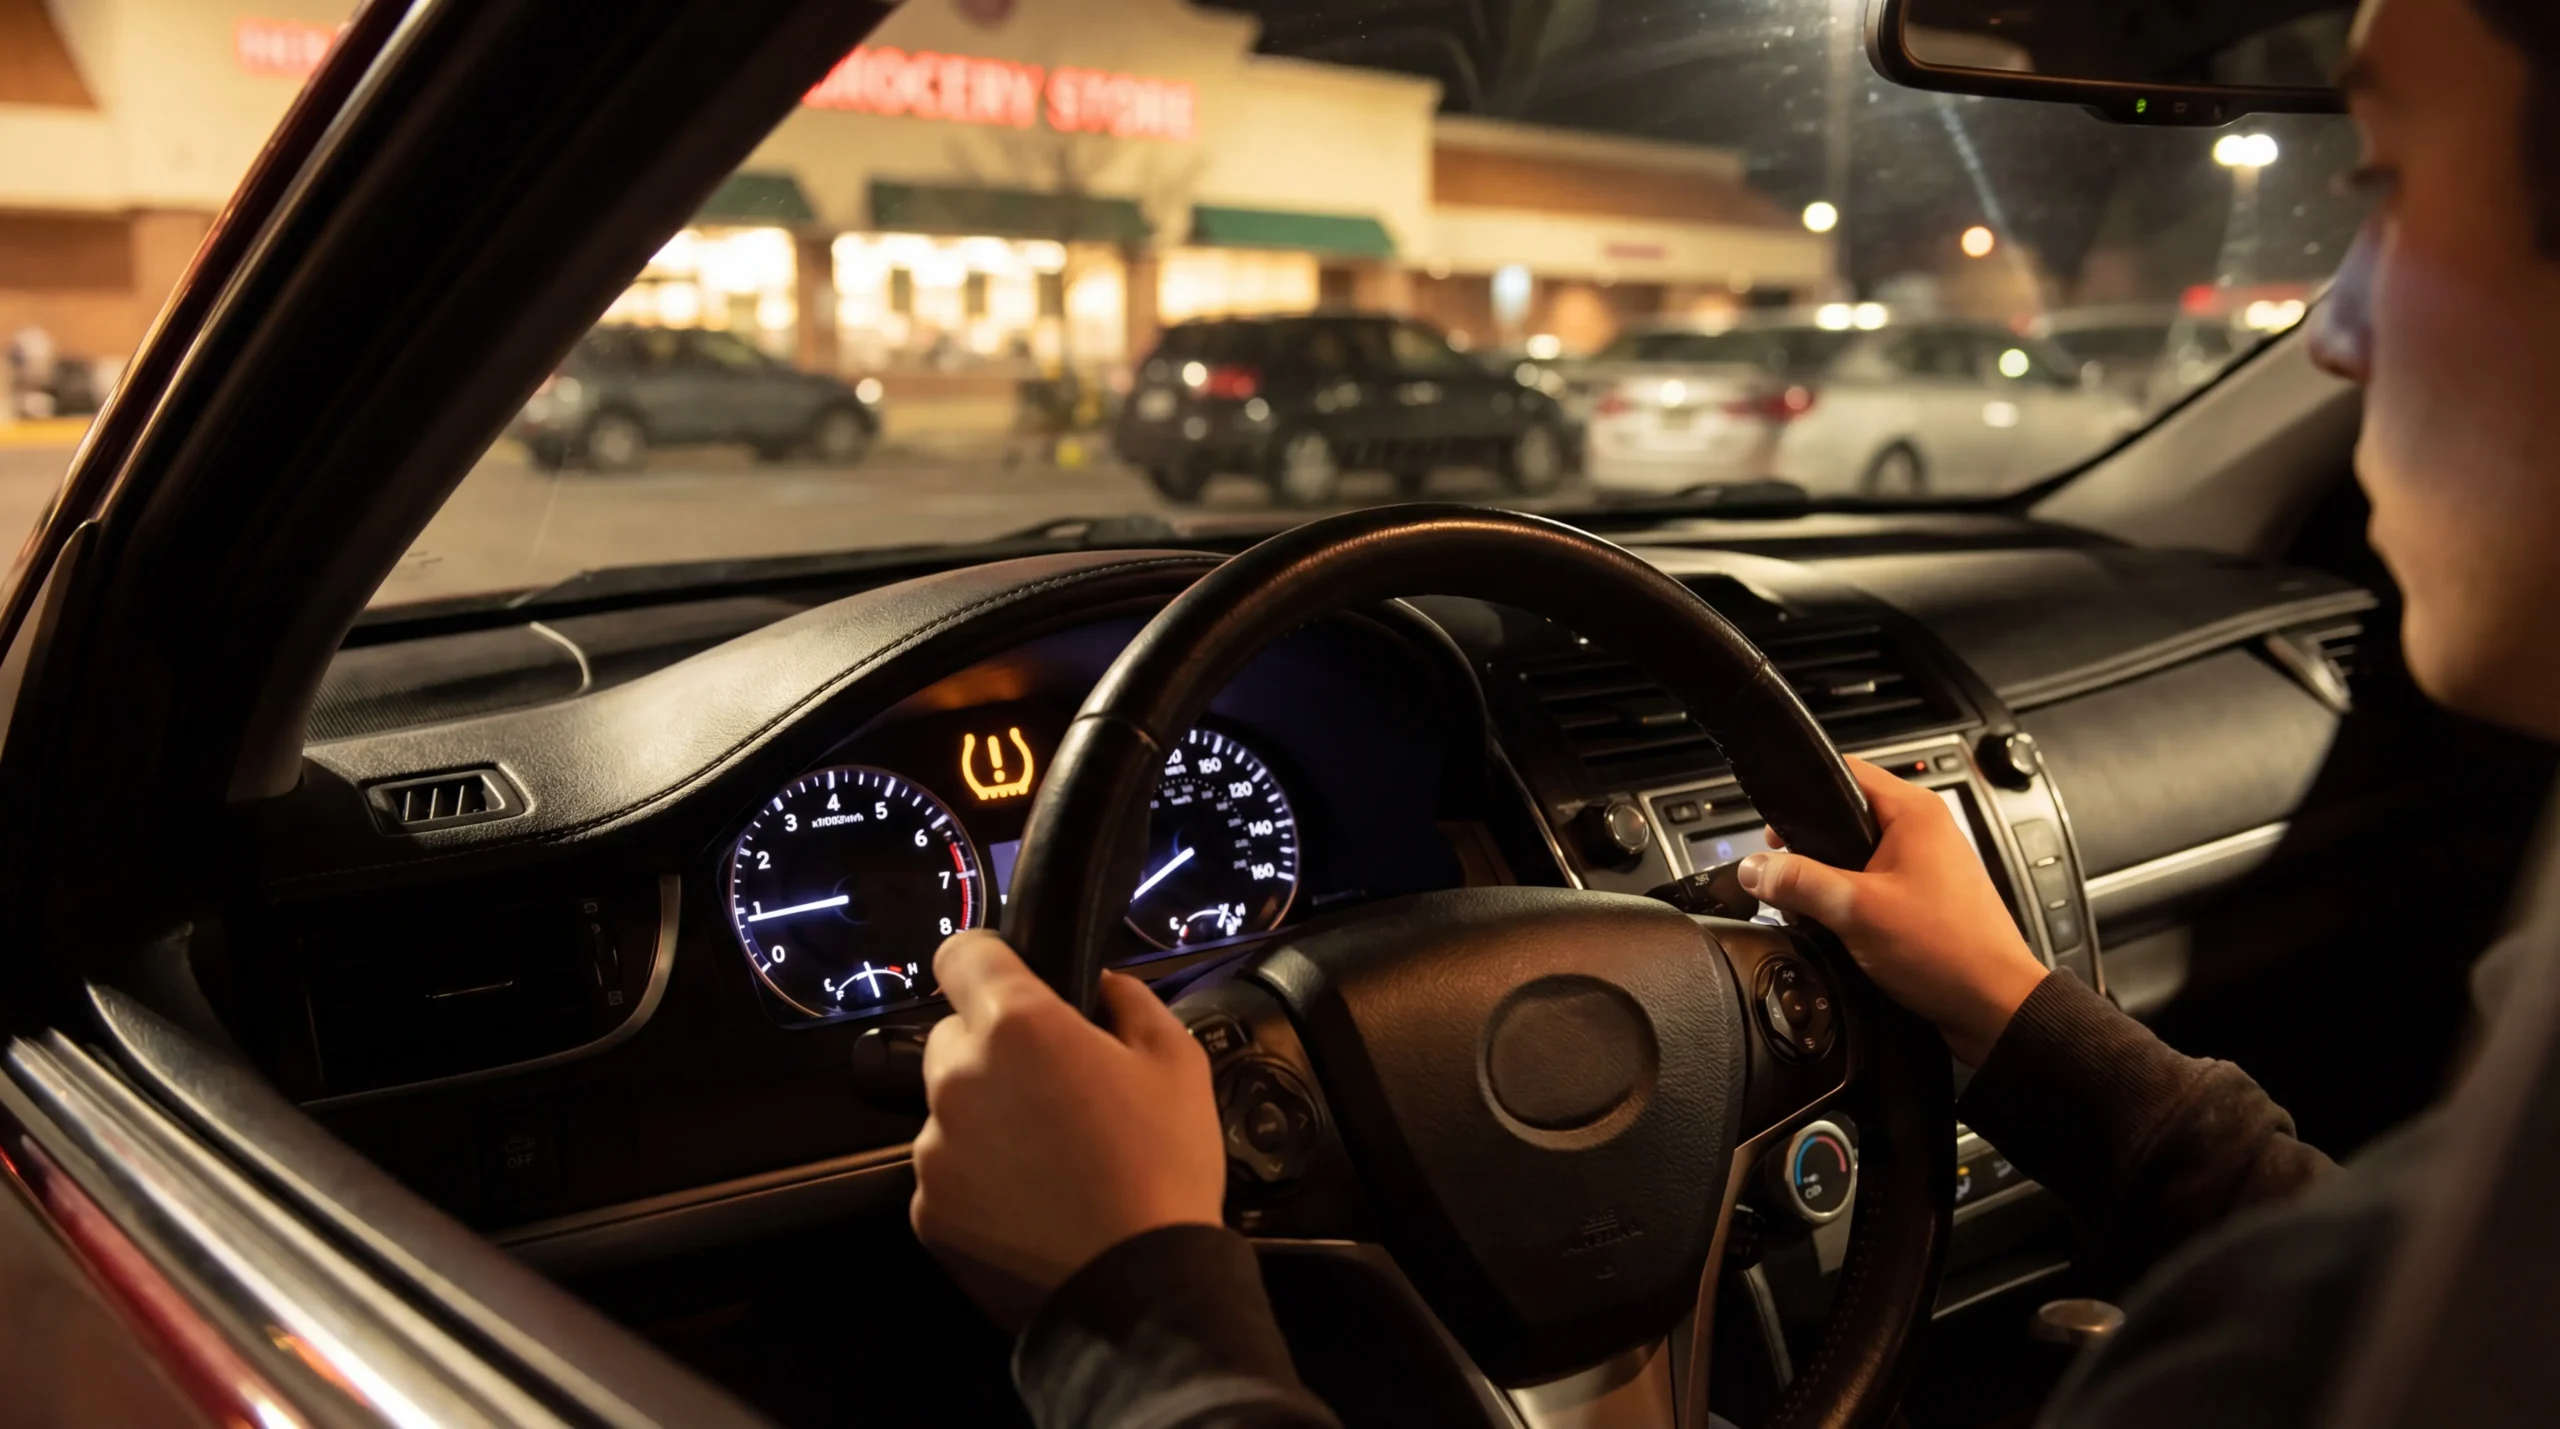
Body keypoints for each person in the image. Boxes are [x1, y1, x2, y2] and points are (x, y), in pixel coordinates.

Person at [907, 0, 2560, 1422]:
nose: (2332, 330)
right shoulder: (2442, 1277)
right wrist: (2010, 1011)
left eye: (2388, 191)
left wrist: (1129, 1298)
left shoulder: (2319, 1353)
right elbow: (2362, 1262)